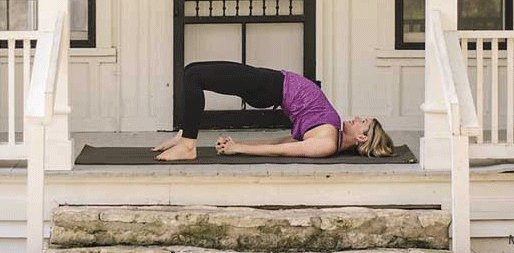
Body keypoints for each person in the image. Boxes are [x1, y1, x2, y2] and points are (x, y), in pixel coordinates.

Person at [152, 61, 395, 161]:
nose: (356, 118)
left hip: (268, 87)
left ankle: (188, 145)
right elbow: (283, 139)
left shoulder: (327, 143)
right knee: (191, 71)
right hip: (270, 84)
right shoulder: (330, 135)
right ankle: (185, 133)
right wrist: (236, 144)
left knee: (194, 75)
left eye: (363, 121)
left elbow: (282, 150)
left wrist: (240, 149)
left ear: (362, 137)